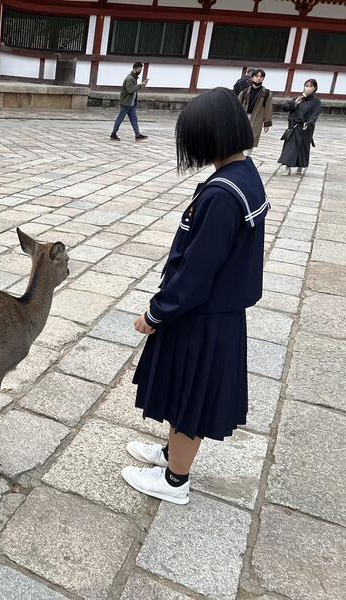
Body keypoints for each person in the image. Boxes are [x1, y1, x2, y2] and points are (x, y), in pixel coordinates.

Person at [123, 88, 267, 505]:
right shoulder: (242, 173)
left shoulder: (223, 195)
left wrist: (156, 312)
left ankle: (174, 481)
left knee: (189, 396)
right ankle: (171, 454)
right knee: (182, 390)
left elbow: (198, 270)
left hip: (202, 315)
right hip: (215, 312)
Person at [278, 78, 322, 176]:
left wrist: (309, 122)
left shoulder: (316, 102)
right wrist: (294, 103)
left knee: (302, 148)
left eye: (310, 86)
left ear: (314, 88)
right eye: (306, 86)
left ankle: (300, 166)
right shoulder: (298, 98)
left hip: (305, 128)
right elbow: (285, 107)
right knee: (290, 148)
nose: (308, 88)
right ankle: (287, 168)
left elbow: (315, 114)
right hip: (294, 127)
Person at [111, 61, 149, 142]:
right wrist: (140, 85)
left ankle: (137, 134)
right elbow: (130, 90)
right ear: (135, 69)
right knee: (120, 119)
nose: (140, 71)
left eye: (141, 70)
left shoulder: (134, 78)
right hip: (126, 103)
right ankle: (113, 134)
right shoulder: (130, 78)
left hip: (131, 104)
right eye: (139, 69)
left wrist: (141, 85)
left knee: (134, 120)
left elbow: (134, 89)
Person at [238, 68, 273, 151]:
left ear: (263, 78)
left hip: (257, 118)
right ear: (252, 77)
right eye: (256, 76)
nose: (258, 78)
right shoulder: (245, 92)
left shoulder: (267, 93)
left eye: (261, 77)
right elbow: (237, 106)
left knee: (252, 139)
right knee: (240, 137)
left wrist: (267, 123)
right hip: (244, 117)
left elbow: (268, 108)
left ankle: (247, 157)